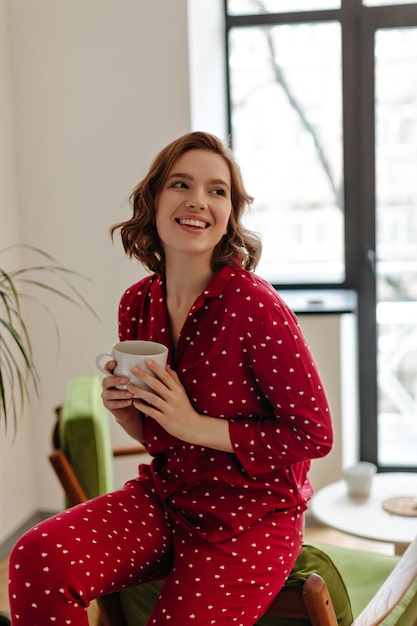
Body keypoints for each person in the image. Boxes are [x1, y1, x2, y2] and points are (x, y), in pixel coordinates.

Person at [8, 131, 333, 625]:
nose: (198, 200)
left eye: (217, 190)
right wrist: (129, 416)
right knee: (37, 558)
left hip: (250, 521)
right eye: (181, 184)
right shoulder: (137, 303)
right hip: (168, 497)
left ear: (229, 216)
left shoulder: (255, 306)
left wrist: (193, 424)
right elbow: (164, 438)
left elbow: (314, 434)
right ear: (155, 201)